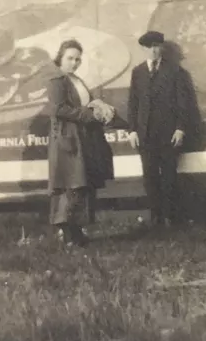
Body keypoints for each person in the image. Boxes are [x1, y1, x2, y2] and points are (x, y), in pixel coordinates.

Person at [46, 39, 114, 246]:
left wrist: (97, 106)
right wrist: (88, 115)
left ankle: (76, 232)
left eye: (77, 59)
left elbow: (83, 103)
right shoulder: (56, 80)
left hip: (82, 137)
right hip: (67, 139)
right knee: (70, 186)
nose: (74, 63)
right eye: (70, 58)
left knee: (81, 185)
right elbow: (58, 109)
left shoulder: (75, 79)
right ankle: (67, 233)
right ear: (60, 58)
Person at [127, 31, 190, 228]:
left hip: (168, 134)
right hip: (145, 135)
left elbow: (183, 103)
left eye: (157, 46)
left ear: (161, 47)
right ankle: (156, 217)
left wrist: (180, 128)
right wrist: (132, 130)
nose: (154, 50)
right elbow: (133, 103)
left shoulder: (174, 71)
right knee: (150, 176)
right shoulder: (138, 72)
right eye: (149, 46)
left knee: (169, 175)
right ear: (143, 49)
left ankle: (171, 216)